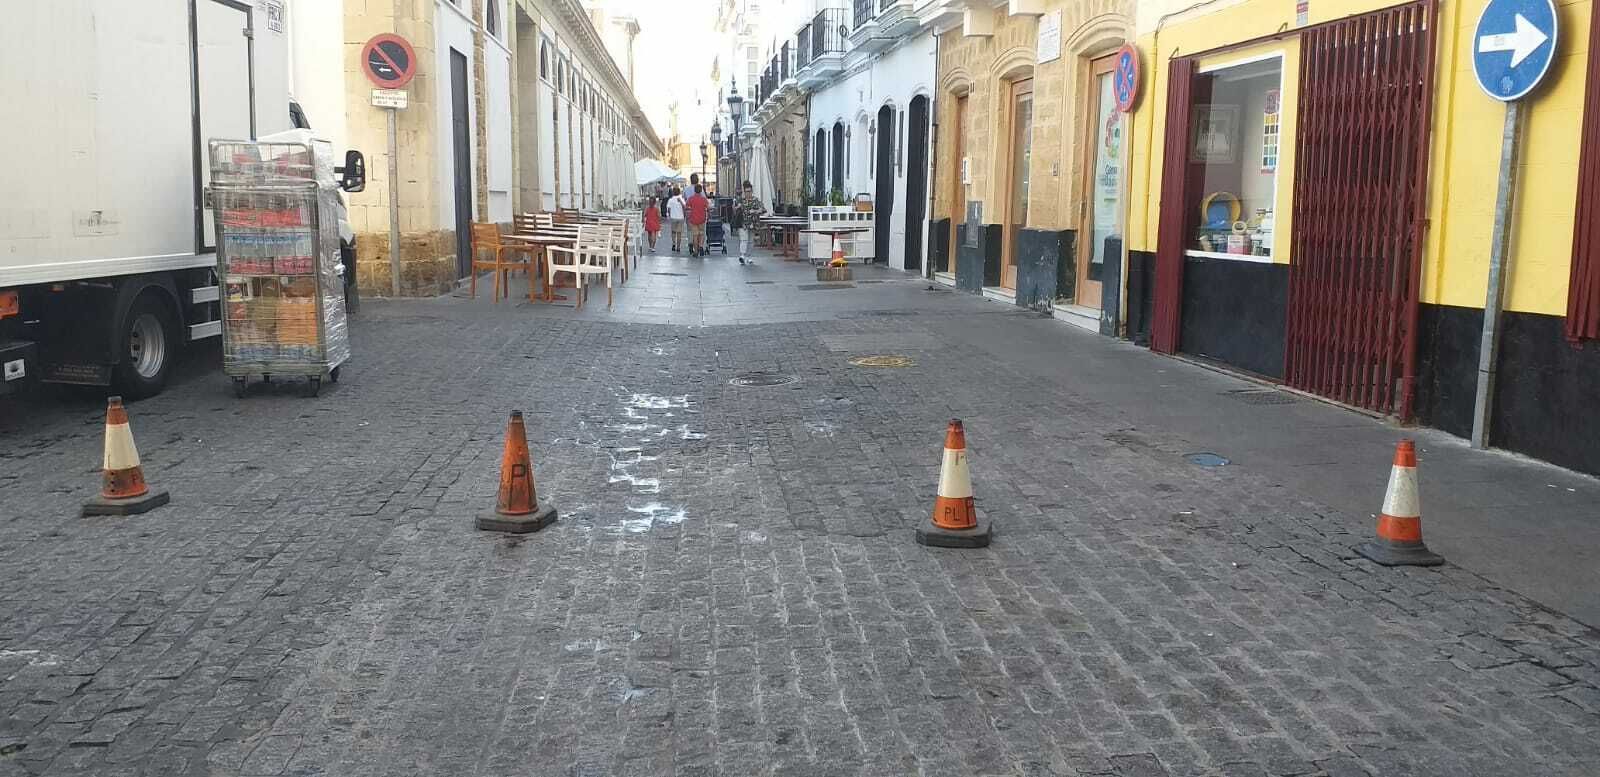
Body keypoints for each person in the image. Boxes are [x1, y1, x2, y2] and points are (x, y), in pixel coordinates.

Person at [736, 180, 765, 265]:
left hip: (753, 223)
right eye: (746, 192)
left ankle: (749, 256)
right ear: (744, 192)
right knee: (743, 240)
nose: (748, 193)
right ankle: (742, 256)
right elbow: (735, 209)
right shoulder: (741, 200)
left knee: (751, 241)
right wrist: (737, 207)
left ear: (752, 191)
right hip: (743, 223)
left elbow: (763, 209)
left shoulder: (755, 200)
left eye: (749, 191)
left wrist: (755, 211)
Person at [685, 184, 710, 257]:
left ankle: (696, 251)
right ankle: (701, 246)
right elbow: (708, 208)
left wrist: (688, 216)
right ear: (701, 190)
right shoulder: (703, 199)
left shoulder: (691, 198)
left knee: (695, 236)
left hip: (693, 219)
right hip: (702, 219)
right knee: (701, 234)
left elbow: (687, 208)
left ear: (694, 190)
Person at [666, 186, 686, 252]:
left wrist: (669, 215)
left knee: (673, 232)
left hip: (673, 217)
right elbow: (684, 206)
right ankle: (678, 247)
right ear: (679, 192)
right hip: (680, 218)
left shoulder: (670, 200)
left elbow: (669, 209)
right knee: (679, 233)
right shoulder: (681, 199)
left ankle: (674, 243)